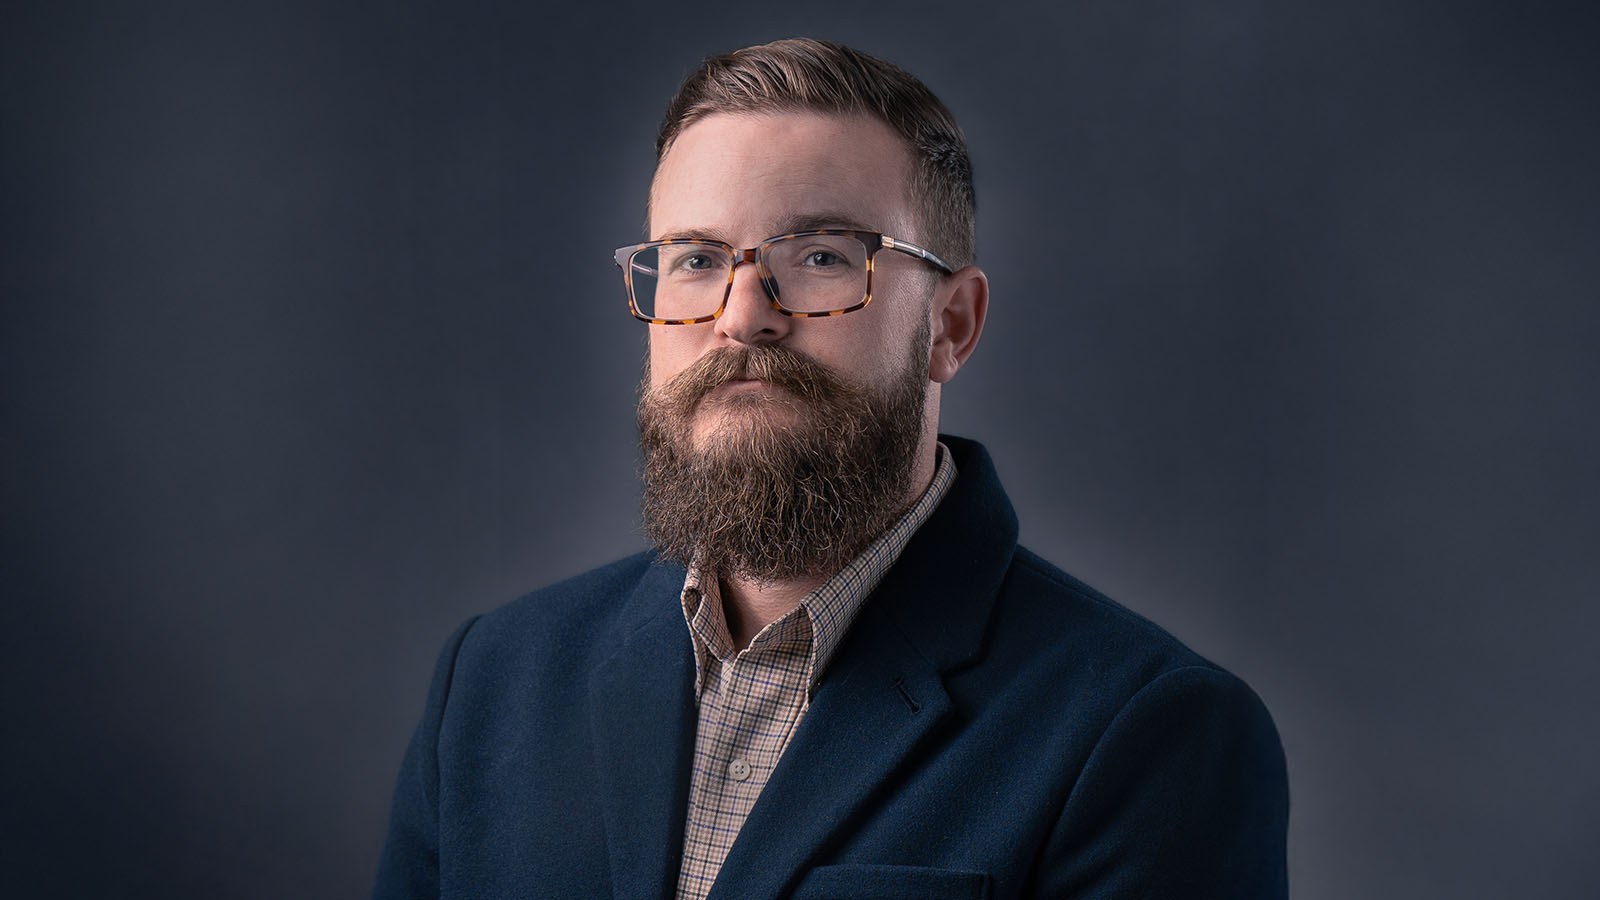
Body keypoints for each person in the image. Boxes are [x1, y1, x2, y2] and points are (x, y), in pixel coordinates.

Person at [373, 37, 1288, 900]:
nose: (741, 318)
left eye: (819, 257)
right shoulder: (494, 682)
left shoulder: (1150, 732)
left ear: (951, 325)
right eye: (694, 260)